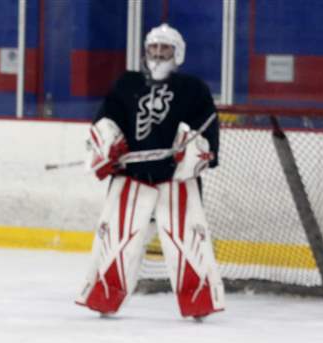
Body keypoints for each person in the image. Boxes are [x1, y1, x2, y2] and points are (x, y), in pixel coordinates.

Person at [77, 23, 225, 319]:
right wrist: (107, 149)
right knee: (117, 240)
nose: (158, 54)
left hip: (176, 180)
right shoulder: (127, 84)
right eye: (153, 48)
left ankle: (199, 303)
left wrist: (193, 152)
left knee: (187, 242)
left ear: (177, 53)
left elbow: (207, 134)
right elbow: (105, 122)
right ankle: (104, 298)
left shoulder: (193, 89)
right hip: (131, 175)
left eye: (165, 48)